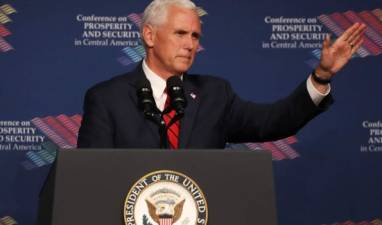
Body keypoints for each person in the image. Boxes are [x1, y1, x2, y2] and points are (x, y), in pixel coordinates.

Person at [77, 0, 366, 149]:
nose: (191, 44)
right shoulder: (106, 99)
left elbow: (273, 122)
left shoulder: (214, 94)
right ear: (149, 36)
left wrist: (321, 77)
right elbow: (93, 179)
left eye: (195, 35)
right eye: (180, 33)